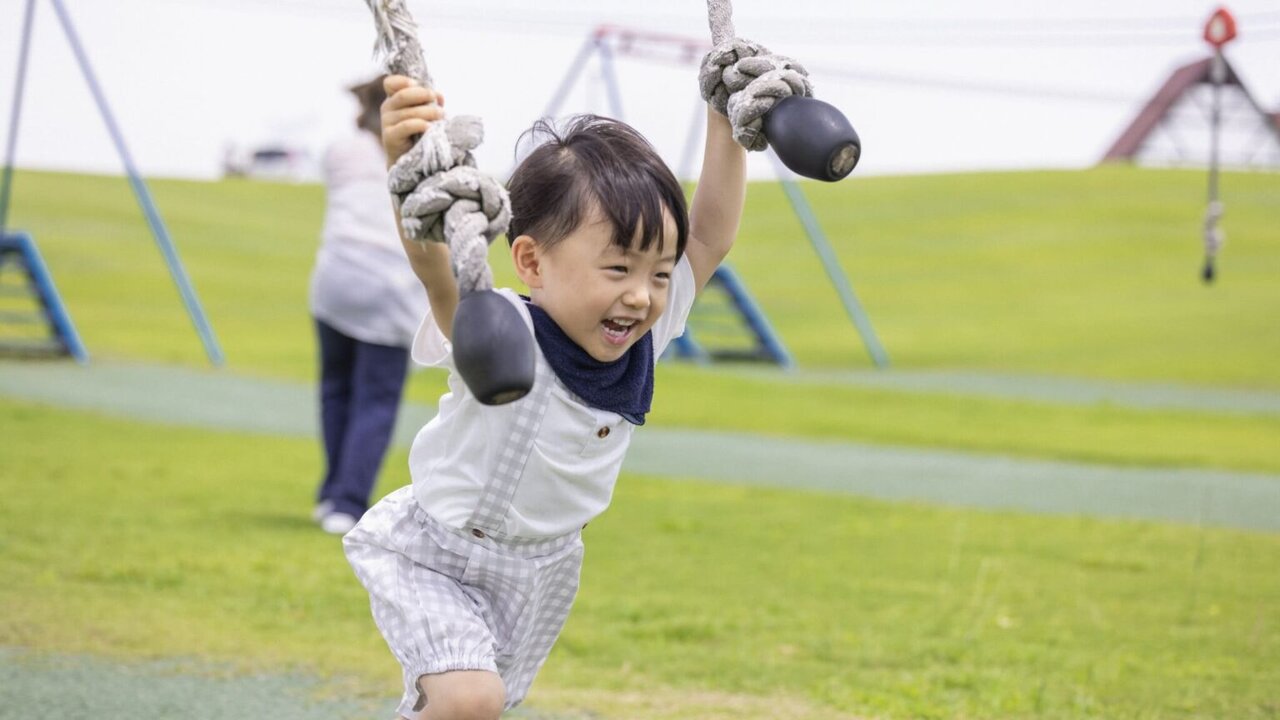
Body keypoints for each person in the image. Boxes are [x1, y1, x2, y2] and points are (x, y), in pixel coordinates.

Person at [343, 73, 746, 719]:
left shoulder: (648, 334)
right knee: (471, 699)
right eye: (617, 268)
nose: (641, 294)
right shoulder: (498, 328)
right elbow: (432, 264)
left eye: (658, 275)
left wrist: (726, 110)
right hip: (437, 554)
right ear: (531, 262)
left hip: (541, 574)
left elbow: (709, 236)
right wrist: (403, 159)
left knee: (467, 709)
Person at [309, 75, 428, 535]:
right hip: (391, 284)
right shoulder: (418, 158)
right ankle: (347, 500)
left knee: (335, 388)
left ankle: (330, 493)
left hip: (334, 277)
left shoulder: (340, 150)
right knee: (375, 399)